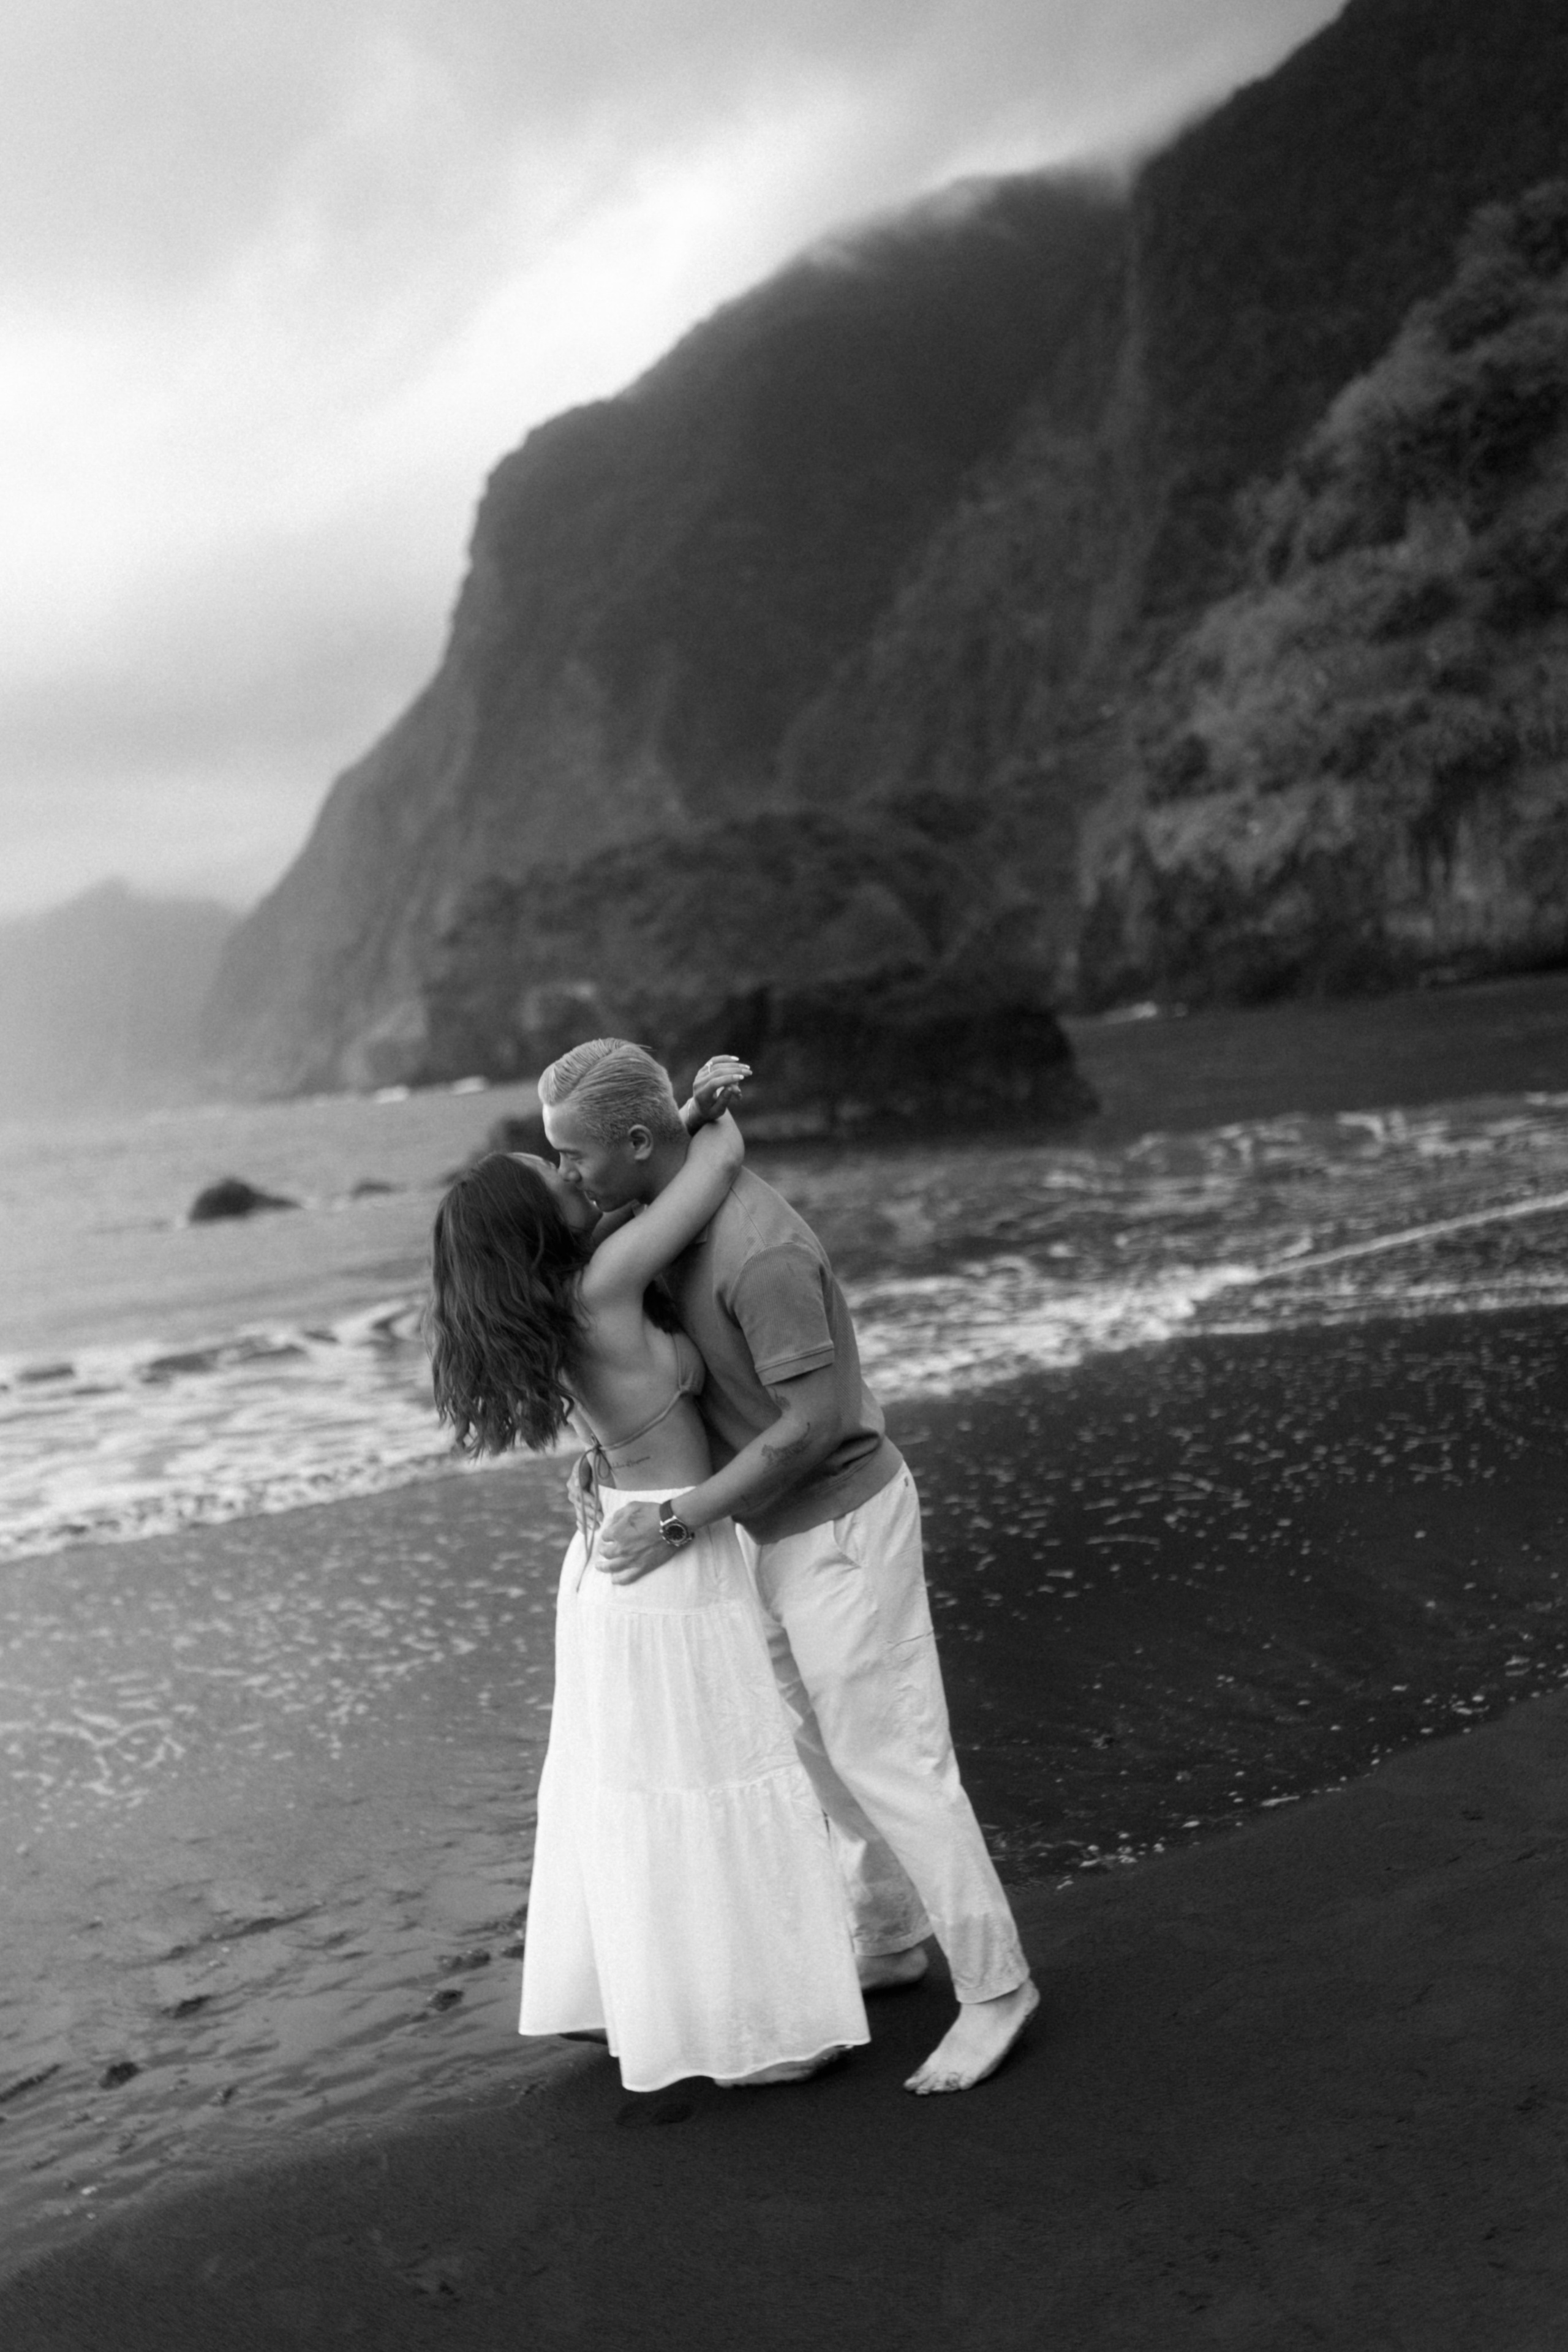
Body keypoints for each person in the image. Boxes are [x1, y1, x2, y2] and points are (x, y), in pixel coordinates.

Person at [538, 1038, 1039, 2095]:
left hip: (841, 1524)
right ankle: (890, 1939)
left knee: (892, 1756)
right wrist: (610, 1460)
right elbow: (663, 1382)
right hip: (757, 1530)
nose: (569, 1179)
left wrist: (678, 1522)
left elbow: (812, 1426)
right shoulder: (653, 1219)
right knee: (817, 1751)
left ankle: (997, 1990)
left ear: (636, 1144)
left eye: (575, 1157)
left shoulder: (759, 1252)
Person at [426, 1061, 868, 2093]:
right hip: (667, 1559)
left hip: (610, 1557)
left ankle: (645, 2002)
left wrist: (660, 1120)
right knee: (711, 1778)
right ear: (537, 1226)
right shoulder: (607, 1279)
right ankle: (755, 2031)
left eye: (562, 1155)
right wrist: (696, 1113)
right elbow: (716, 1164)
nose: (567, 1173)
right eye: (552, 1171)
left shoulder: (557, 1307)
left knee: (638, 1788)